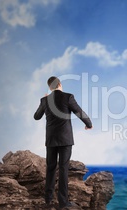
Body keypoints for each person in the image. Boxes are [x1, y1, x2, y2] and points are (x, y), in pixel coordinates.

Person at [34, 76, 92, 209]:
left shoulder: (45, 100)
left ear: (50, 87)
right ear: (60, 84)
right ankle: (63, 202)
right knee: (63, 169)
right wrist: (89, 124)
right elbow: (79, 112)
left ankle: (48, 200)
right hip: (65, 139)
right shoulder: (68, 97)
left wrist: (44, 101)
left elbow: (36, 117)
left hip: (51, 139)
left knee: (50, 168)